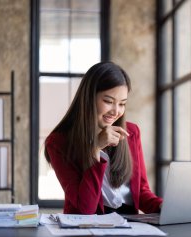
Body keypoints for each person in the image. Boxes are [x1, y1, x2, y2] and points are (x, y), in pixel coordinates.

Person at [44, 61, 162, 215]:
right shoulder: (58, 143)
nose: (116, 111)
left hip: (129, 225)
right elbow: (84, 209)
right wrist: (95, 149)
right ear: (88, 98)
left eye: (122, 104)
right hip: (87, 227)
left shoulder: (131, 133)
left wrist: (163, 206)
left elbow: (141, 192)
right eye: (108, 101)